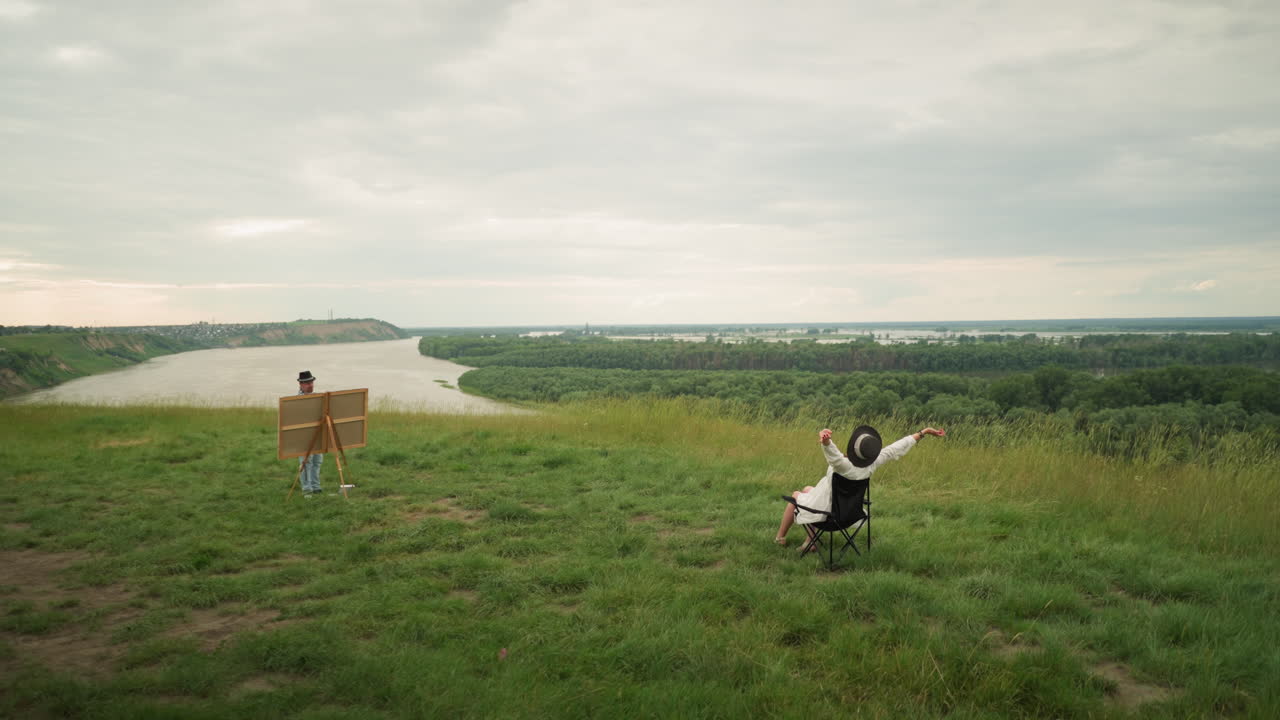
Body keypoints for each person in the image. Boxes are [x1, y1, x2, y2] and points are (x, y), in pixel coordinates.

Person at [774, 424, 946, 550]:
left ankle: (780, 537)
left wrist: (826, 441)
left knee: (797, 495)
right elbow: (895, 448)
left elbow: (833, 455)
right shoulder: (871, 465)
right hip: (850, 515)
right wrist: (923, 433)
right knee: (807, 489)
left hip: (829, 516)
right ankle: (809, 542)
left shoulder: (842, 465)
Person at [296, 370, 324, 498]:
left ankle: (316, 487)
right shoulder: (297, 400)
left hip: (317, 433)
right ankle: (307, 489)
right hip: (303, 435)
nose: (310, 385)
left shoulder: (318, 397)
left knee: (317, 461)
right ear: (301, 385)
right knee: (306, 462)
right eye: (307, 383)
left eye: (311, 382)